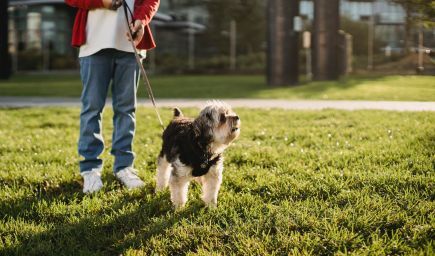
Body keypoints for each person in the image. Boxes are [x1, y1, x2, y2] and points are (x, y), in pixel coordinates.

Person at [65, 0, 160, 193]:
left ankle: (124, 167)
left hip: (130, 45)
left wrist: (142, 20)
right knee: (92, 108)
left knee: (126, 109)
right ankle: (90, 170)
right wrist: (102, 2)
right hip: (94, 43)